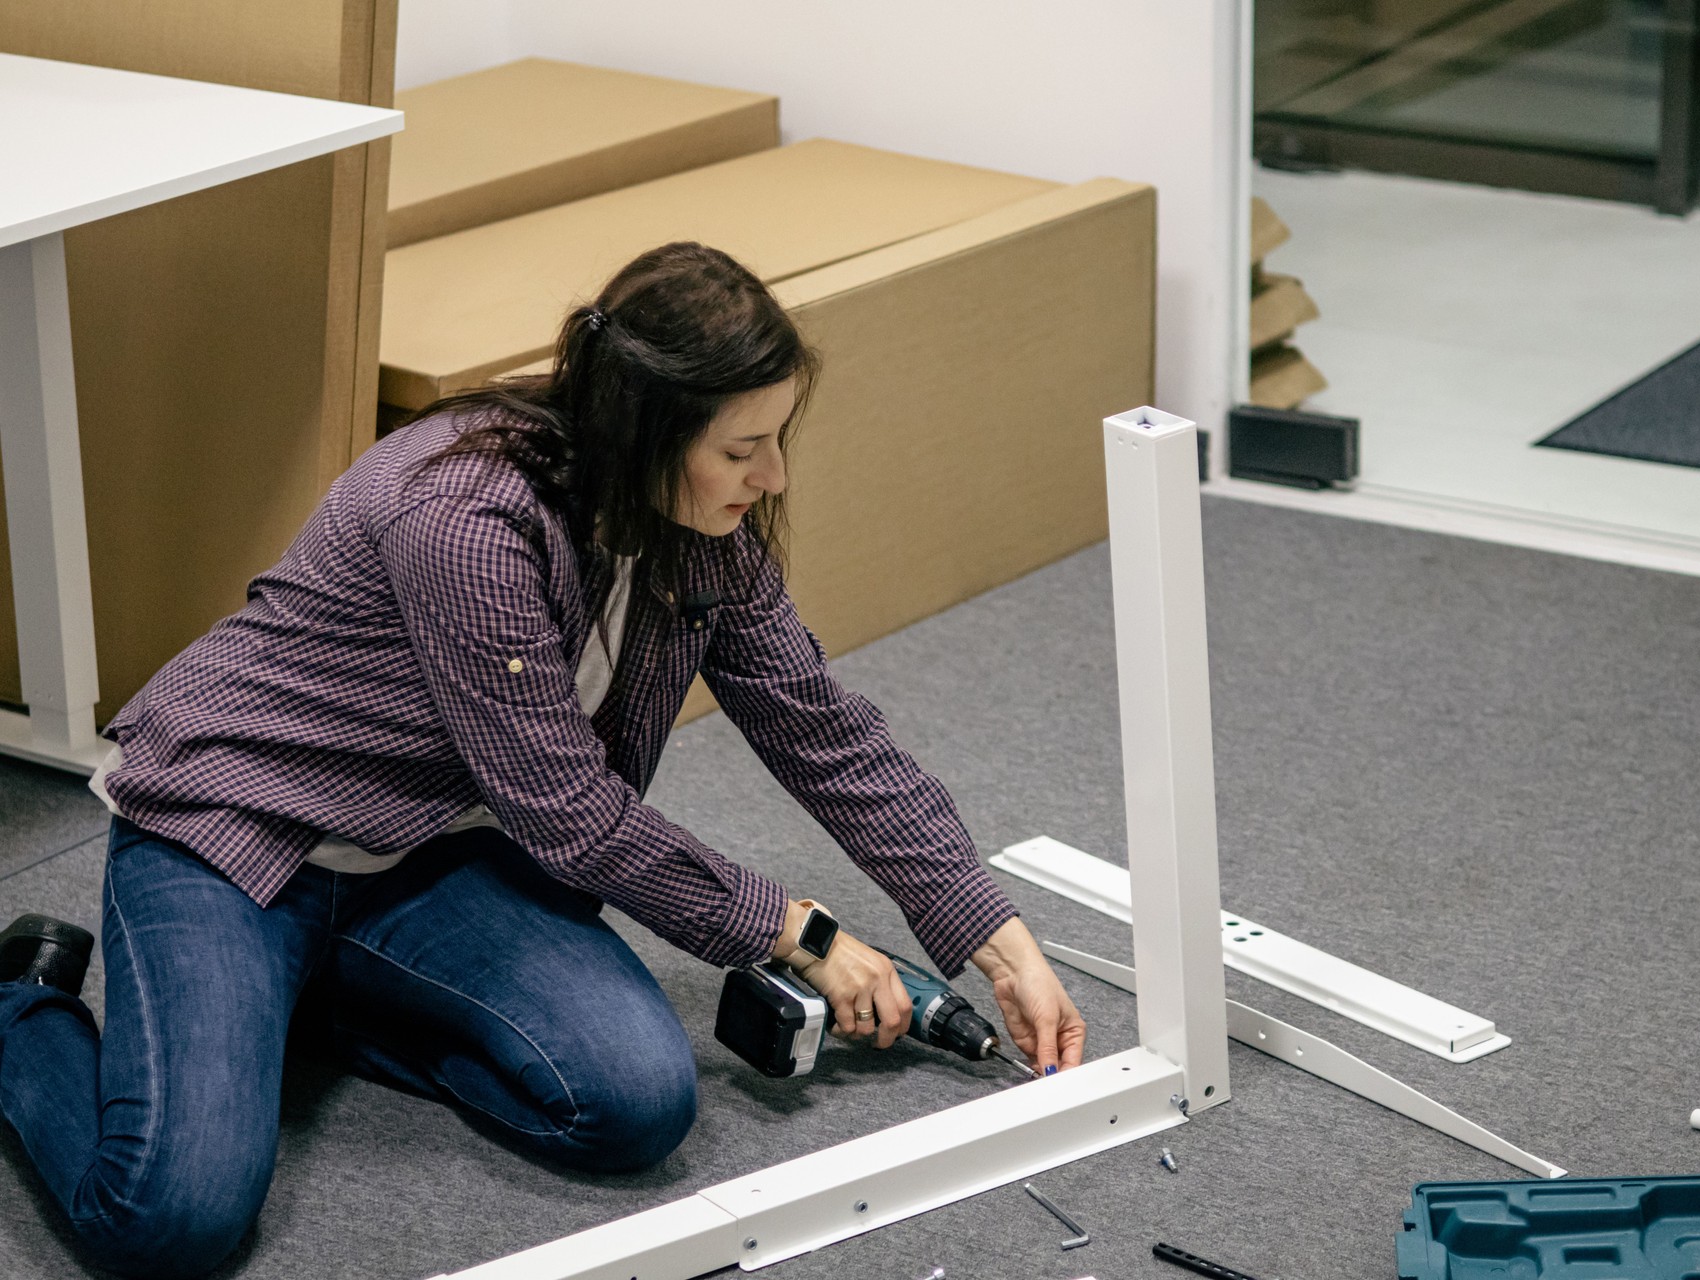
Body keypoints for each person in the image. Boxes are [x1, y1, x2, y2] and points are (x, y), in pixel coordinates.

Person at [0, 241, 1086, 1280]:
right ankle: (18, 1007)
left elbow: (820, 726)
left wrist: (995, 937)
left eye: (780, 438)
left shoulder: (698, 528)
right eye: (743, 448)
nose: (775, 474)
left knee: (631, 1100)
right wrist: (800, 933)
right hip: (237, 828)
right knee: (167, 1219)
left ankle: (289, 1000)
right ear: (646, 429)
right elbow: (570, 810)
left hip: (424, 847)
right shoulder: (464, 517)